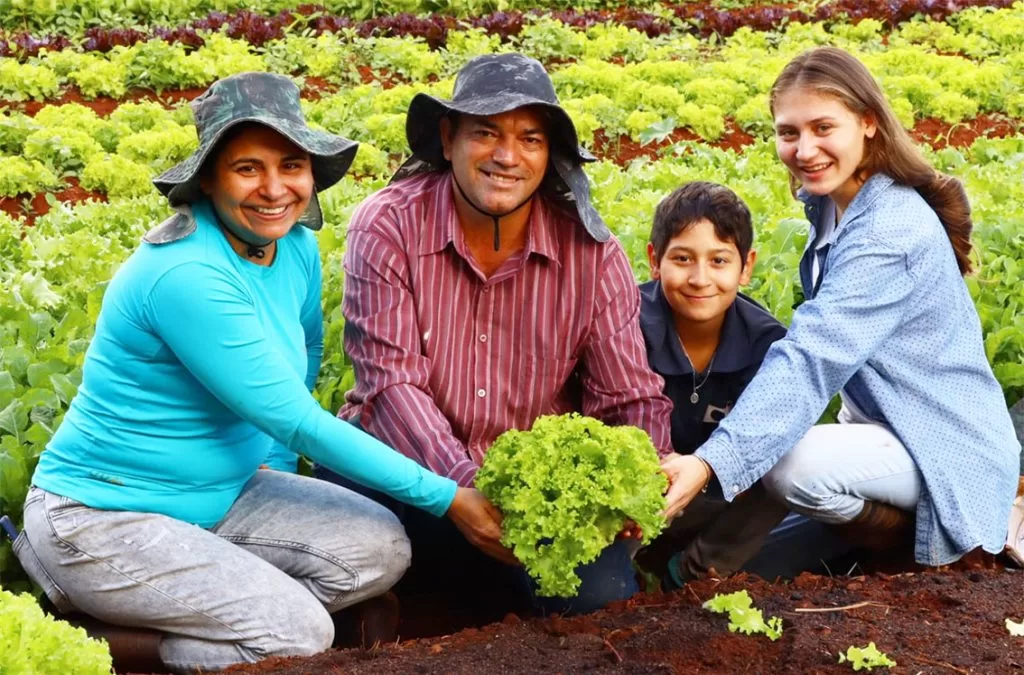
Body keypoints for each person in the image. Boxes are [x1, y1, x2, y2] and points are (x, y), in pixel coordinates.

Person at [11, 72, 500, 674]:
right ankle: (116, 640)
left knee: (380, 548)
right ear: (209, 179)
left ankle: (219, 610)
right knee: (296, 633)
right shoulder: (187, 274)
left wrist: (272, 462)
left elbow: (305, 351)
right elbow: (300, 421)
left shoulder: (292, 246)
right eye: (248, 169)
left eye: (291, 165)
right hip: (103, 518)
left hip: (225, 496)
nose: (274, 189)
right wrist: (449, 497)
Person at [316, 53, 674, 619]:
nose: (507, 157)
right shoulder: (388, 224)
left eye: (530, 139)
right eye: (486, 133)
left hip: (527, 500)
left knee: (600, 604)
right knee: (352, 557)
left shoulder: (591, 253)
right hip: (406, 474)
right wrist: (461, 489)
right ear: (448, 137)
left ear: (549, 154)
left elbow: (628, 396)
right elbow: (391, 386)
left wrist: (639, 480)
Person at [660, 47, 1024, 568]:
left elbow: (813, 356)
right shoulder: (833, 203)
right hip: (881, 429)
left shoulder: (887, 231)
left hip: (941, 442)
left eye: (823, 127)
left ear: (868, 123)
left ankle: (937, 542)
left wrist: (710, 461)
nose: (805, 149)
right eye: (789, 132)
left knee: (788, 462)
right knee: (761, 561)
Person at [637, 181, 847, 587]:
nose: (700, 278)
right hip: (639, 500)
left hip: (718, 503)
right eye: (682, 259)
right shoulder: (625, 325)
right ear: (654, 260)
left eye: (719, 260)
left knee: (785, 446)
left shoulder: (766, 344)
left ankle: (693, 573)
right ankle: (627, 569)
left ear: (746, 267)